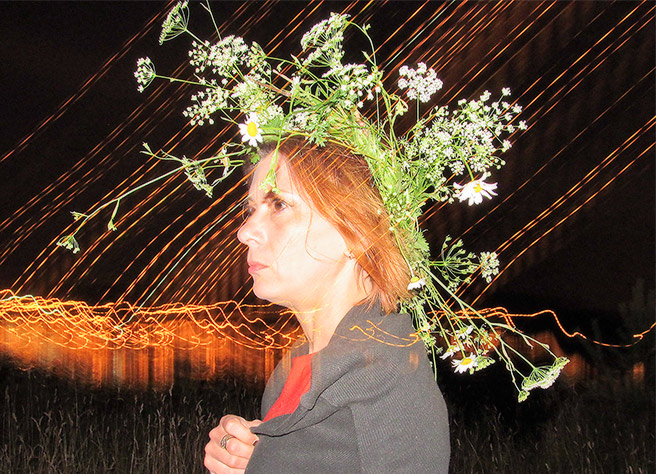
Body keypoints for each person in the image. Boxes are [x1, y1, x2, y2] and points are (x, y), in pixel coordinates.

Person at [203, 137, 450, 473]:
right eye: (250, 210)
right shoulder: (294, 373)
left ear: (356, 231)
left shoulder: (385, 385)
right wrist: (258, 457)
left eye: (279, 205)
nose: (245, 232)